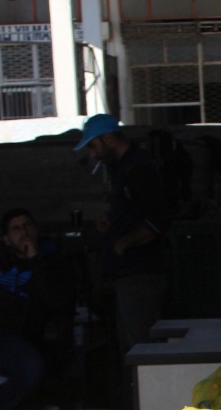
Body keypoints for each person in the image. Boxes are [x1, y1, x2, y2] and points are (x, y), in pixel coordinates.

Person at [74, 114, 173, 356]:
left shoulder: (138, 168)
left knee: (142, 346)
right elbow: (135, 210)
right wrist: (112, 220)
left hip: (140, 272)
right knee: (131, 343)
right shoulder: (124, 168)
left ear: (108, 139)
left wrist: (124, 243)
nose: (93, 154)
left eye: (94, 146)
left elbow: (157, 220)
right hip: (129, 273)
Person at [0, 208, 76, 392]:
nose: (23, 232)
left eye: (27, 225)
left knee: (29, 367)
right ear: (6, 239)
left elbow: (56, 300)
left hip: (19, 335)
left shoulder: (51, 262)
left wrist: (34, 258)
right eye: (16, 228)